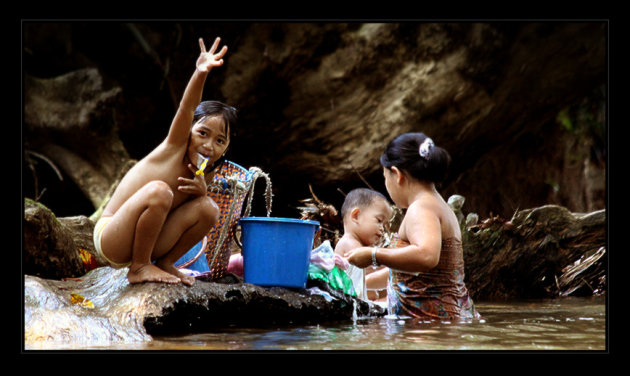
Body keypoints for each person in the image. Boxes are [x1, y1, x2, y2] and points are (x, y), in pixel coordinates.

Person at [93, 37, 236, 286]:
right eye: (203, 133)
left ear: (226, 147)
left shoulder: (206, 169)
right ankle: (139, 267)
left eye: (220, 141)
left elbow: (184, 215)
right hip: (112, 238)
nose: (208, 145)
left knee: (209, 208)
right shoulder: (175, 145)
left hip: (149, 240)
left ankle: (166, 263)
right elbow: (187, 106)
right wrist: (200, 72)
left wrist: (202, 192)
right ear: (189, 130)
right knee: (160, 190)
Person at [347, 133, 480, 321]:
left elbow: (426, 256)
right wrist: (359, 283)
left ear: (398, 175)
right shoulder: (434, 203)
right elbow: (408, 270)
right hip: (445, 320)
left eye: (385, 177)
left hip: (431, 327)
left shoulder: (421, 208)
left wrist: (373, 255)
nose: (386, 184)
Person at [334, 188, 392, 300]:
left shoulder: (356, 244)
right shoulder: (350, 243)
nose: (382, 229)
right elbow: (372, 266)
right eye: (379, 221)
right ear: (356, 216)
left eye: (384, 224)